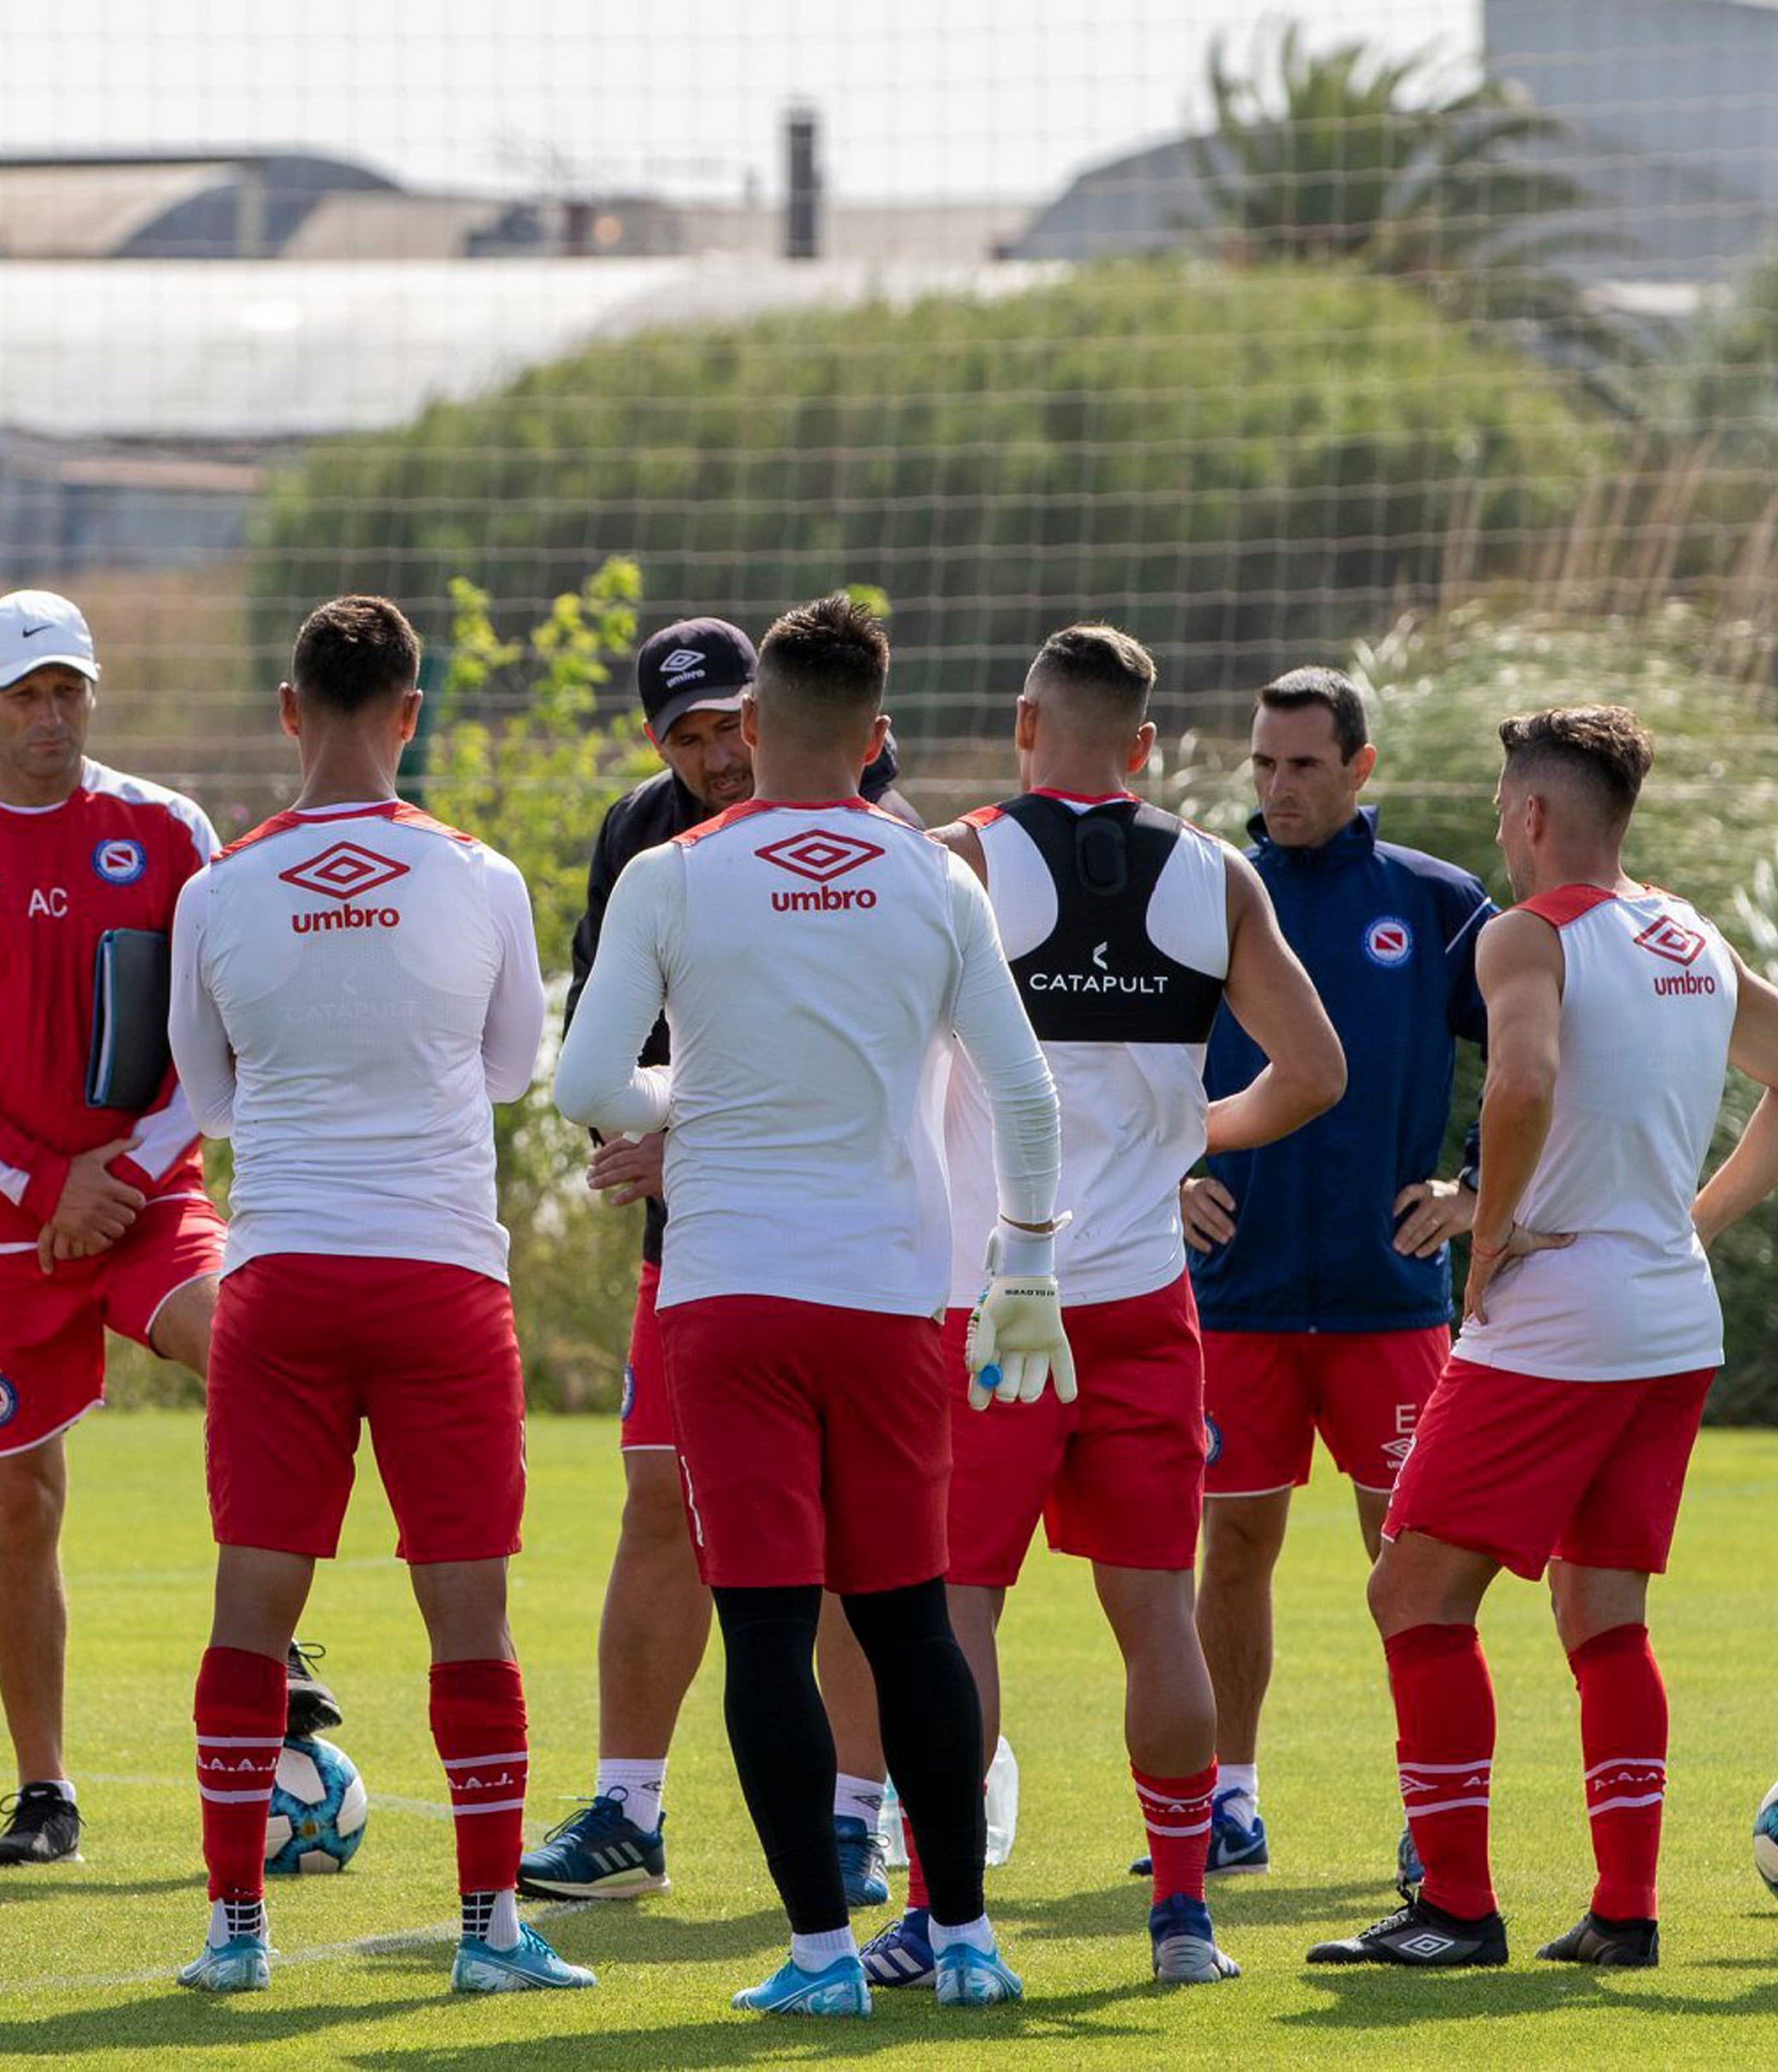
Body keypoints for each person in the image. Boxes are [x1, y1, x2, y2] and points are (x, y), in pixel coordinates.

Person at [558, 594, 1063, 2017]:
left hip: (729, 1294)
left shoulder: (671, 870)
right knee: (908, 1620)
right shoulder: (934, 879)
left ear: (759, 727)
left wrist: (685, 1102)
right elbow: (1024, 1097)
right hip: (897, 1294)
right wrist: (1024, 1271)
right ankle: (960, 1937)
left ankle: (822, 1958)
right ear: (879, 738)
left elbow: (590, 1088)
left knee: (770, 1628)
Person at [1308, 704, 1778, 1971]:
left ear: (1536, 815)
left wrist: (1485, 1230)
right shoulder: (1690, 934)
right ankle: (1621, 1910)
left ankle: (1451, 1908)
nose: (1502, 829)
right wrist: (1689, 1217)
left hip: (1554, 1319)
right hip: (1667, 1316)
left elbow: (1522, 1081)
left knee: (1411, 1591)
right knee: (1603, 1613)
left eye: (1505, 808)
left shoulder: (1522, 935)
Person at [874, 628, 1342, 1990]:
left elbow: (882, 1056)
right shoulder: (1216, 871)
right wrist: (1189, 1134)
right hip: (1145, 1302)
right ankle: (1183, 1917)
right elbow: (1312, 1073)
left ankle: (940, 1915)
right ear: (1143, 744)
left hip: (991, 1305)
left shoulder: (954, 856)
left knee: (959, 1606)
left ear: (1025, 723)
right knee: (1155, 1613)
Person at [164, 595, 589, 1998]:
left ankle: (234, 1936)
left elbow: (208, 1096)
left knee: (250, 1606)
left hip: (279, 1275)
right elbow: (520, 1070)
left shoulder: (215, 886)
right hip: (439, 1277)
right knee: (469, 1614)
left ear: (291, 711)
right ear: (410, 713)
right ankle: (486, 1935)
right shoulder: (480, 876)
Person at [0, 589, 330, 1871]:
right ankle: (44, 1791)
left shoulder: (166, 827)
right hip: (1, 1232)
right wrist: (44, 1188)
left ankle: (277, 1648)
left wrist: (125, 1169)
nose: (52, 714)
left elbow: (214, 1039)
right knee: (18, 1504)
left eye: (70, 690)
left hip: (150, 1198)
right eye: (27, 693)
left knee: (250, 1352)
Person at [526, 616, 915, 1909]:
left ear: (765, 716)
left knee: (848, 1550)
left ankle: (856, 1809)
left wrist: (679, 1126)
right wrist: (639, 1133)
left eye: (723, 727)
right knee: (658, 1500)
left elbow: (880, 1060)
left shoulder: (877, 833)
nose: (709, 756)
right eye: (682, 736)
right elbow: (599, 1026)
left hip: (848, 1250)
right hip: (690, 1245)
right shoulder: (643, 835)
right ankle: (628, 1810)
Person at [1175, 667, 1490, 1897]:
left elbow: (1530, 1043)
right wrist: (1164, 1177)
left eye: (1302, 764)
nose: (1276, 787)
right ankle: (1226, 1799)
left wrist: (1473, 1187)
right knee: (1232, 1541)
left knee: (1408, 1560)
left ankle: (1430, 1813)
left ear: (1360, 766)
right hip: (1235, 1294)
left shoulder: (1432, 899)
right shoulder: (1201, 892)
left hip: (1387, 1295)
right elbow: (1115, 1056)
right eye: (1261, 763)